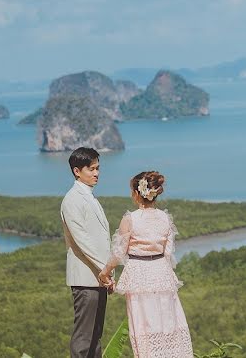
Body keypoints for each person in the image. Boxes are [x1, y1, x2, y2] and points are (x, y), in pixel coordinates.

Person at [99, 171, 194, 358]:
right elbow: (168, 253)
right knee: (168, 323)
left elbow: (118, 253)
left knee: (144, 325)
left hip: (139, 275)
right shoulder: (165, 218)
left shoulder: (131, 219)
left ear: (137, 192)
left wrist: (105, 273)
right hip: (161, 273)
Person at [60, 147, 113, 358]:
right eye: (91, 169)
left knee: (95, 336)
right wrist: (105, 270)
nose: (96, 173)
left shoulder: (90, 197)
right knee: (83, 338)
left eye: (98, 168)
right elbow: (83, 242)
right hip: (86, 279)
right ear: (76, 171)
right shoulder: (72, 200)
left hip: (97, 278)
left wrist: (106, 273)